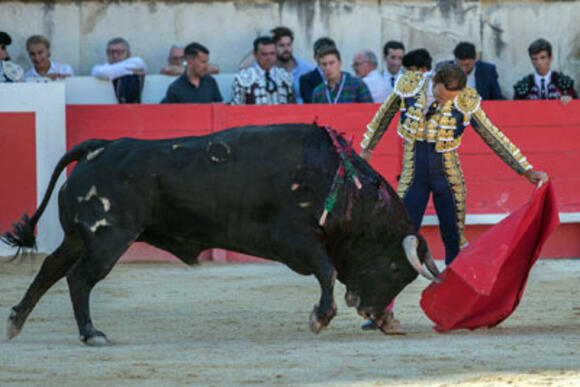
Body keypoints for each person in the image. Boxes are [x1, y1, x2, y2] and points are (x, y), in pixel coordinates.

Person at [359, 63, 548, 333]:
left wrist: (525, 169)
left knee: (454, 243)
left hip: (448, 177)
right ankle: (382, 310)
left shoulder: (466, 100)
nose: (447, 101)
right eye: (443, 95)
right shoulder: (409, 85)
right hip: (413, 175)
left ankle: (459, 310)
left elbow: (493, 135)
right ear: (434, 80)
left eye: (452, 97)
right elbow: (383, 115)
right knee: (398, 240)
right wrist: (367, 149)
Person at [230, 36, 295, 105]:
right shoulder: (242, 78)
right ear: (255, 55)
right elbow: (236, 107)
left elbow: (292, 107)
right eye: (264, 54)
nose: (269, 58)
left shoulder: (286, 77)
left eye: (272, 54)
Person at [513, 38, 577, 105]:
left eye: (543, 58)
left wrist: (570, 100)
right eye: (534, 59)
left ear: (550, 58)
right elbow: (516, 111)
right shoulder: (523, 86)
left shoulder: (564, 83)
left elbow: (576, 109)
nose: (539, 62)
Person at [91, 37, 147, 103]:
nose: (115, 55)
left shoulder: (135, 62)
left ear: (129, 54)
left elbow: (138, 63)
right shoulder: (100, 68)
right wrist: (131, 71)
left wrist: (111, 74)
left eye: (120, 52)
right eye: (111, 52)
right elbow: (98, 71)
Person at [271, 26, 314, 104]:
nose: (286, 49)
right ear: (273, 47)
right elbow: (243, 67)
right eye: (281, 45)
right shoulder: (268, 70)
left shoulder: (306, 69)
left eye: (289, 45)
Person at [299, 37, 335, 103]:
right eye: (323, 55)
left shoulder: (346, 78)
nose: (327, 58)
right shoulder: (306, 80)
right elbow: (311, 102)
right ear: (315, 57)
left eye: (330, 54)